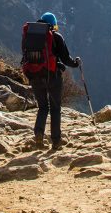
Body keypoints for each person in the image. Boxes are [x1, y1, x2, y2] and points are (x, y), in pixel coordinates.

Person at [26, 11, 80, 150]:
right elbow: (66, 59)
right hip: (52, 77)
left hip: (35, 75)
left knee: (43, 107)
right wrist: (76, 63)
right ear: (53, 24)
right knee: (55, 108)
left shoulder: (30, 36)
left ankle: (38, 133)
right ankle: (56, 141)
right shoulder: (56, 37)